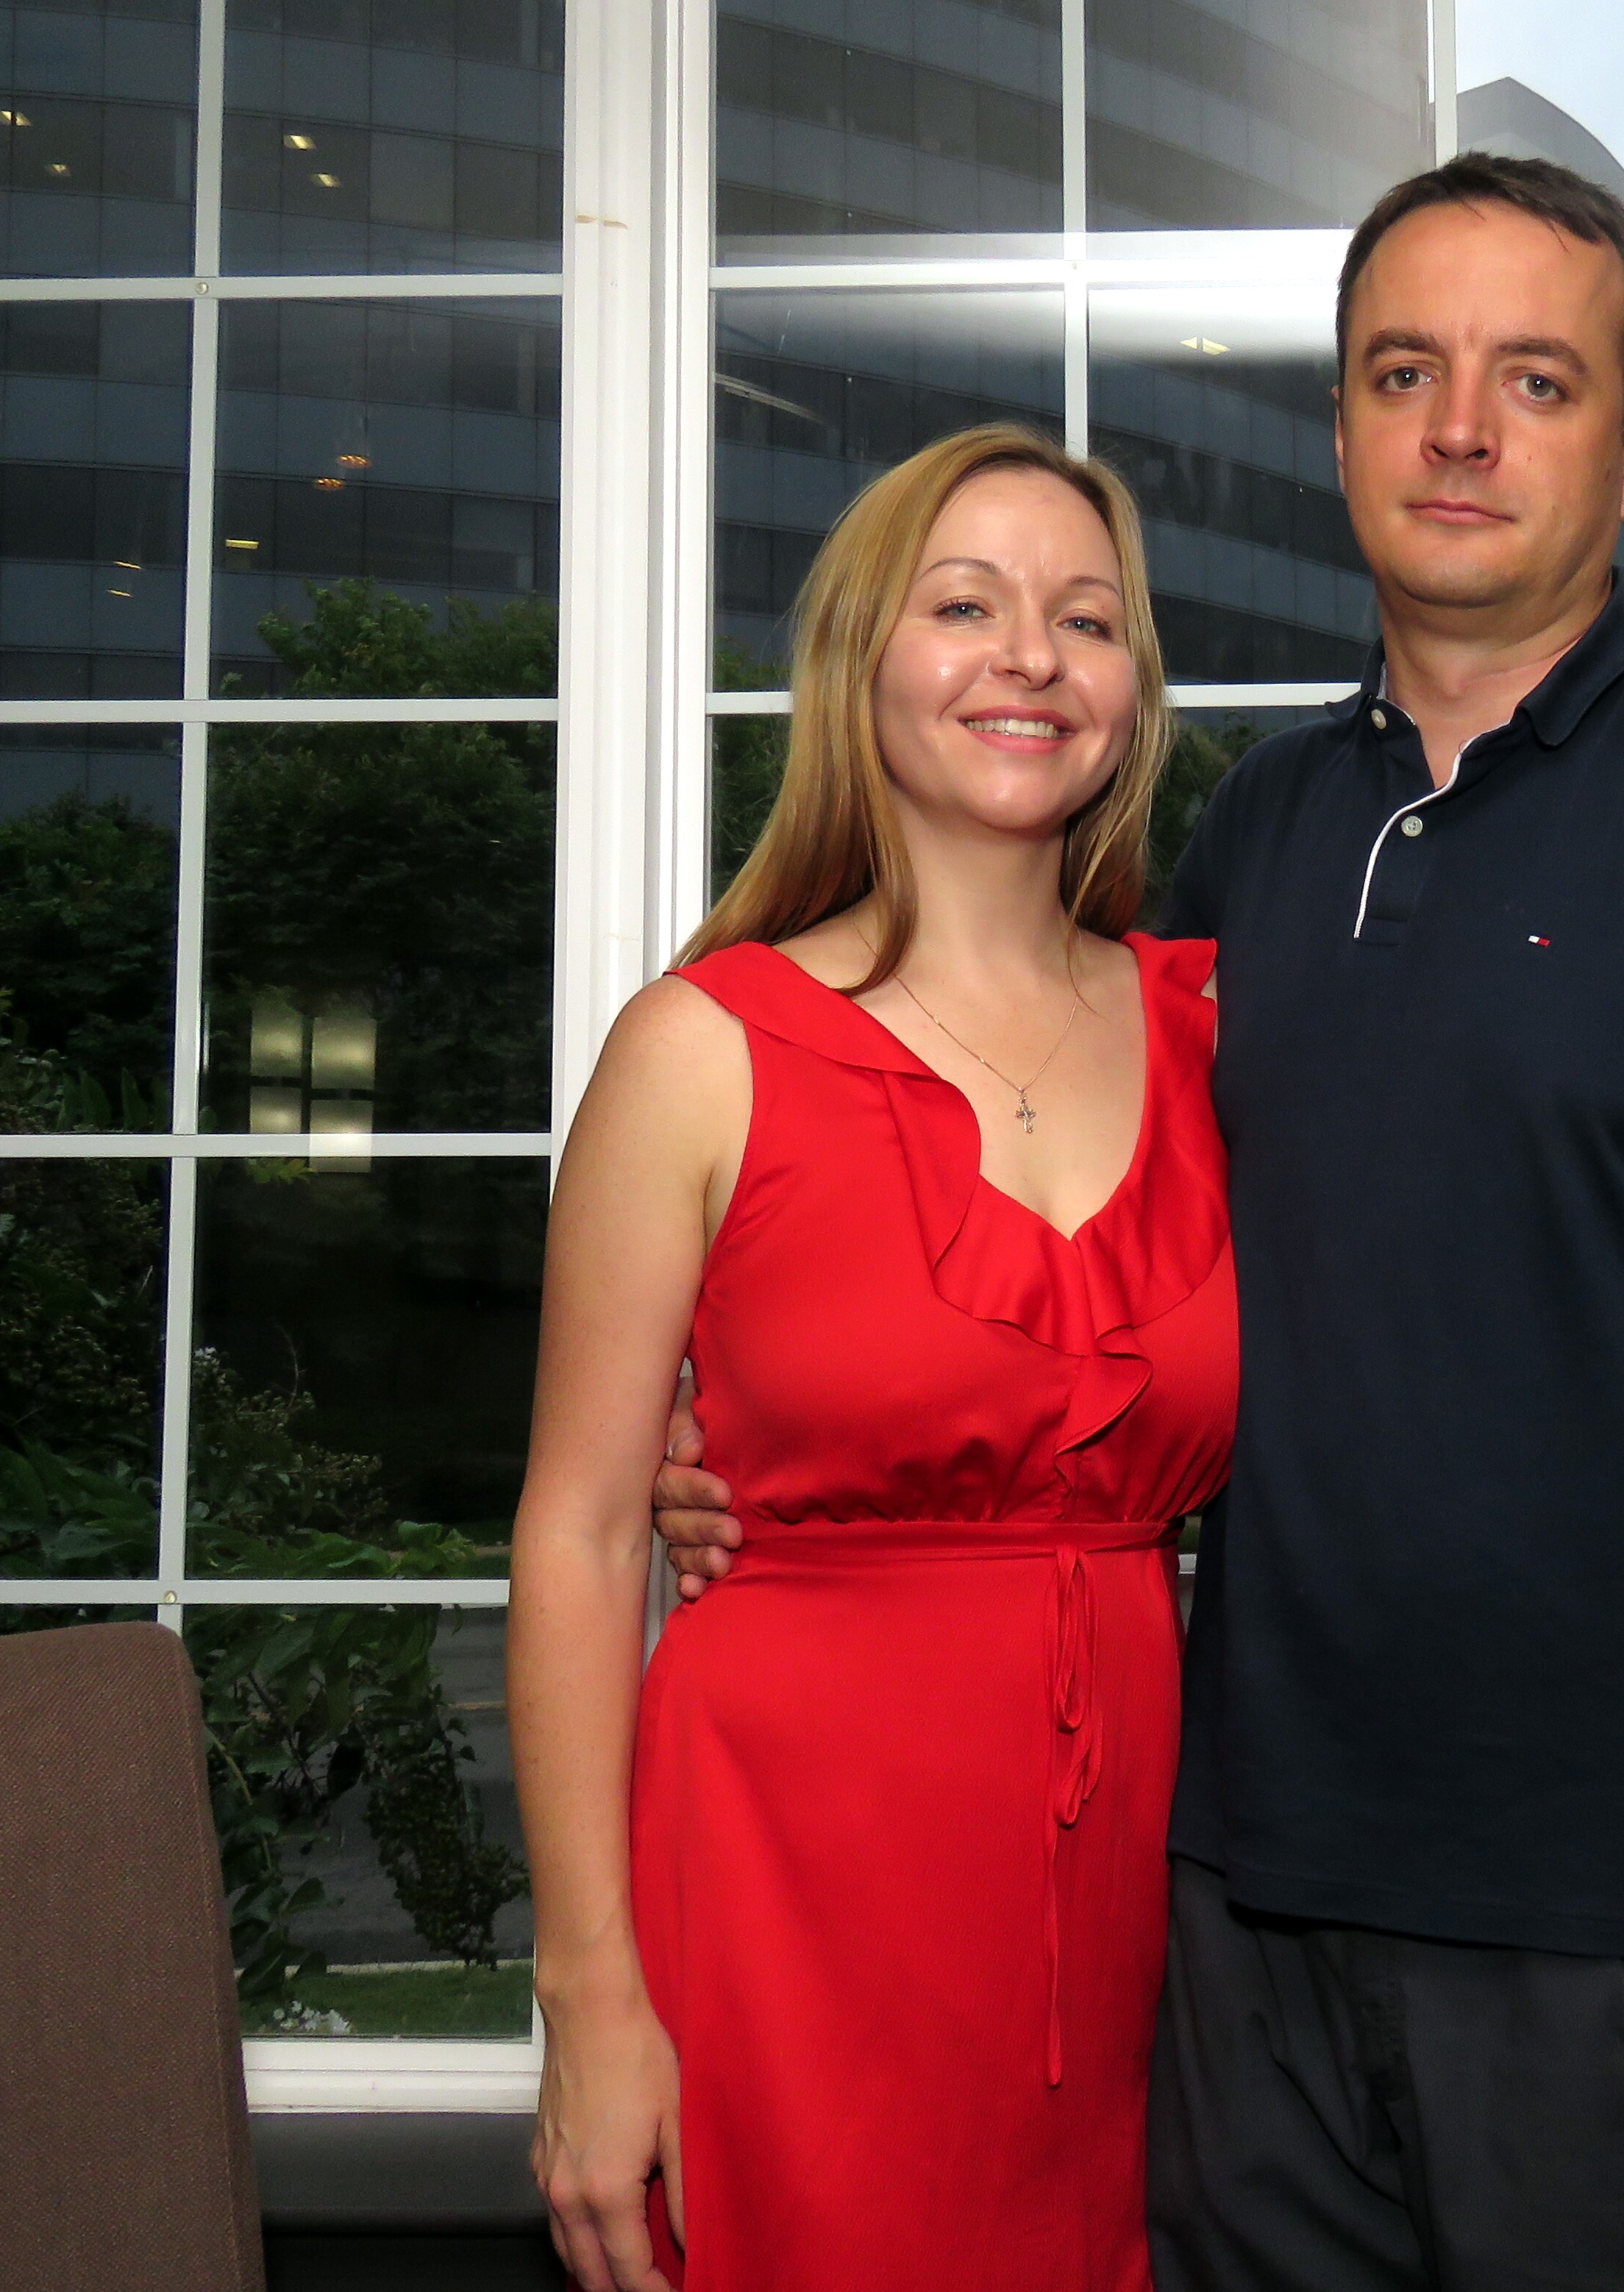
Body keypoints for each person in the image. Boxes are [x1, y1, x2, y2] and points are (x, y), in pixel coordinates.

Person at [658, 155, 1624, 2286]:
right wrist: (756, 1444)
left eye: (1536, 380)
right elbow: (1070, 1272)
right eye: (1405, 373)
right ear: (1346, 429)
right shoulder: (1253, 842)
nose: (1460, 428)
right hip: (1238, 1923)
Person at [511, 423, 1238, 2292]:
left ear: (1132, 694)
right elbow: (581, 1536)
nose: (1033, 657)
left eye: (1089, 619)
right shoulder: (700, 1050)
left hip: (1134, 1906)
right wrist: (590, 2002)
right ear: (861, 659)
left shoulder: (1222, 1035)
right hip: (783, 1881)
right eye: (966, 606)